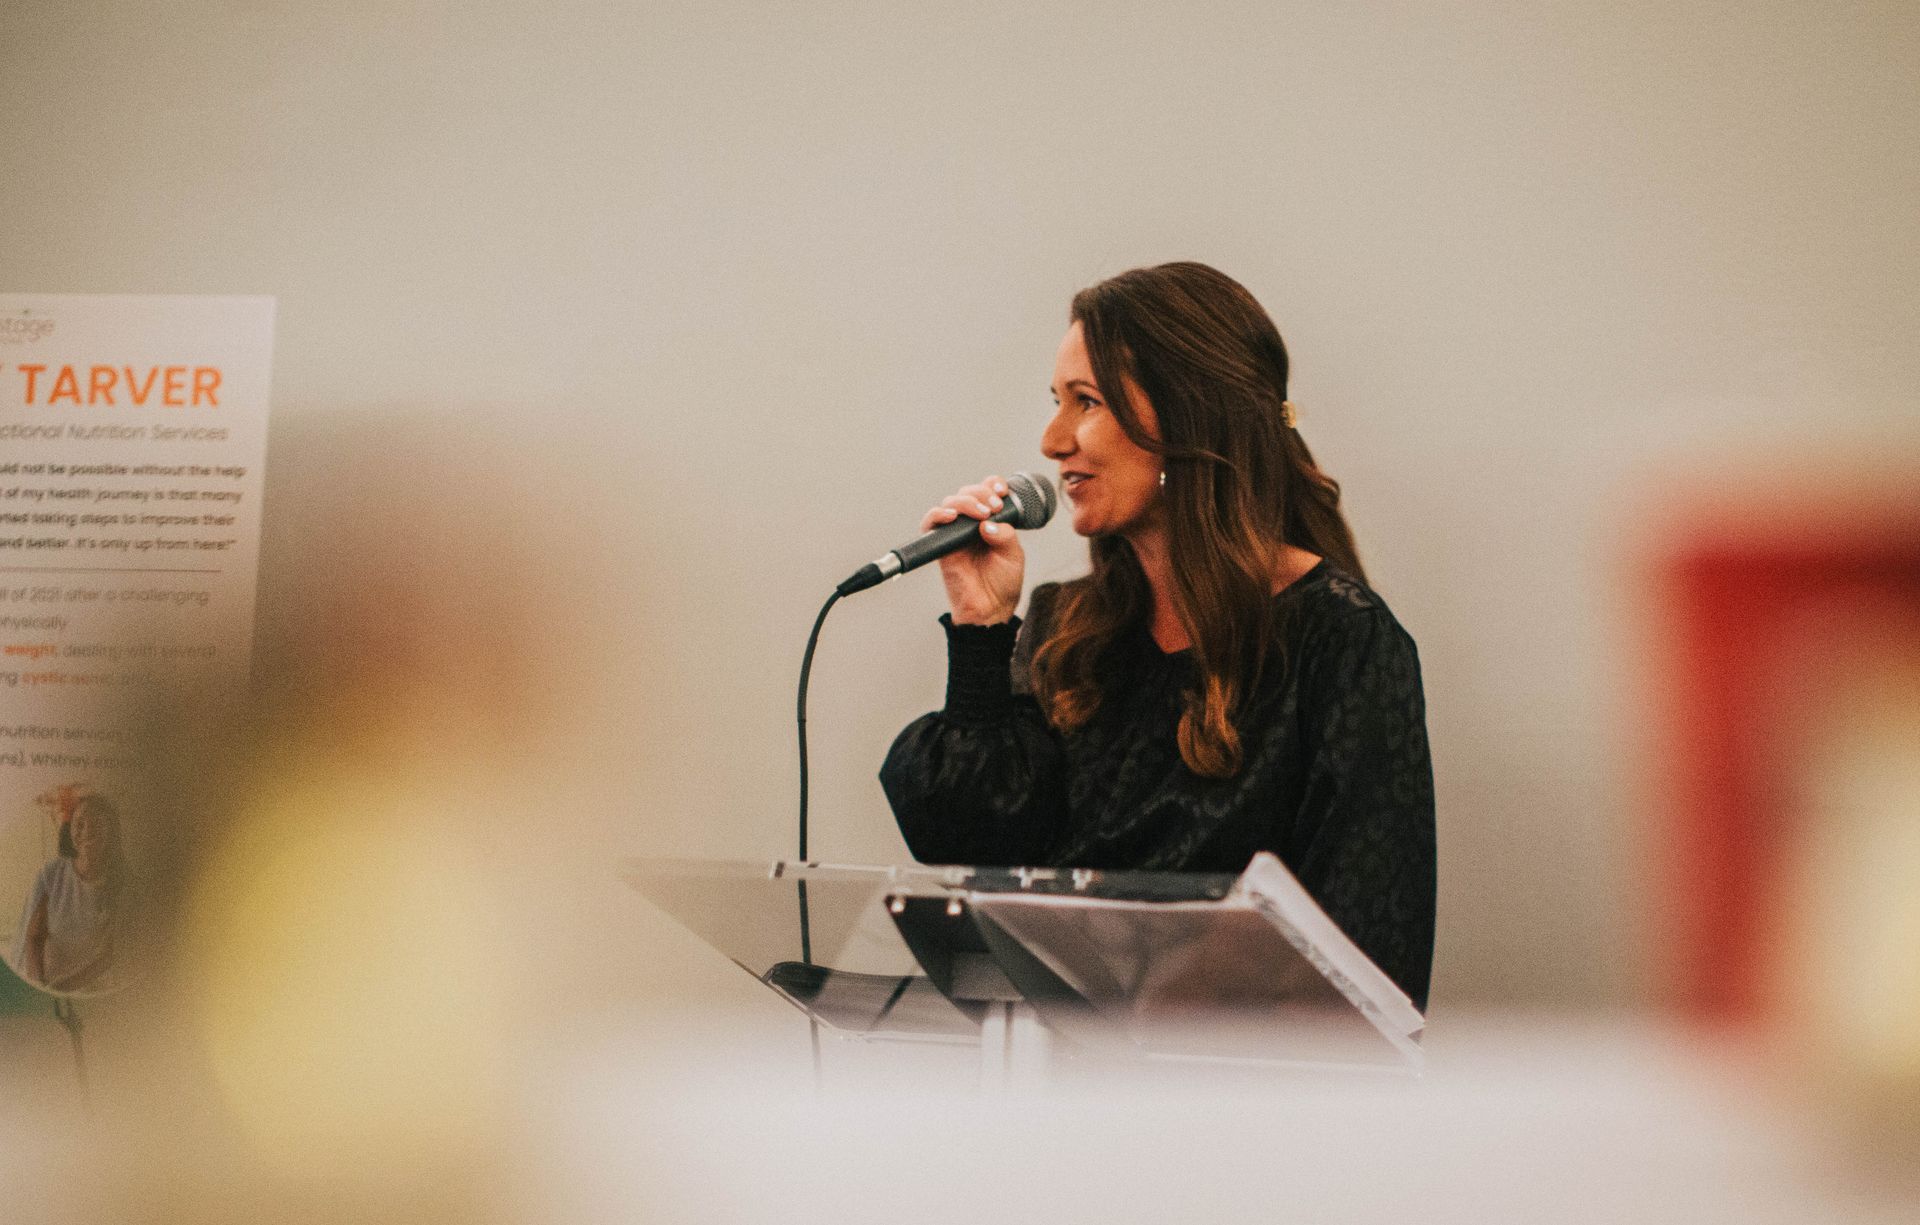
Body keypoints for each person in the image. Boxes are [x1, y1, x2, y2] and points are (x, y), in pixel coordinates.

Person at [880, 262, 1436, 1008]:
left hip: (1242, 1107)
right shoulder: (1062, 628)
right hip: (1058, 1101)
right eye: (1056, 403)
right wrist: (982, 629)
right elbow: (976, 847)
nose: (1051, 440)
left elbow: (1373, 958)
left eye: (1087, 402)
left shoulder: (1340, 640)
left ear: (1189, 417)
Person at [13, 791, 128, 993]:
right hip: (47, 982)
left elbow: (109, 954)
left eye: (96, 824)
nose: (86, 831)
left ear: (110, 833)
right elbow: (34, 936)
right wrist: (39, 984)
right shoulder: (52, 874)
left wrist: (64, 988)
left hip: (93, 990)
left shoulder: (122, 882)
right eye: (79, 824)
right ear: (70, 831)